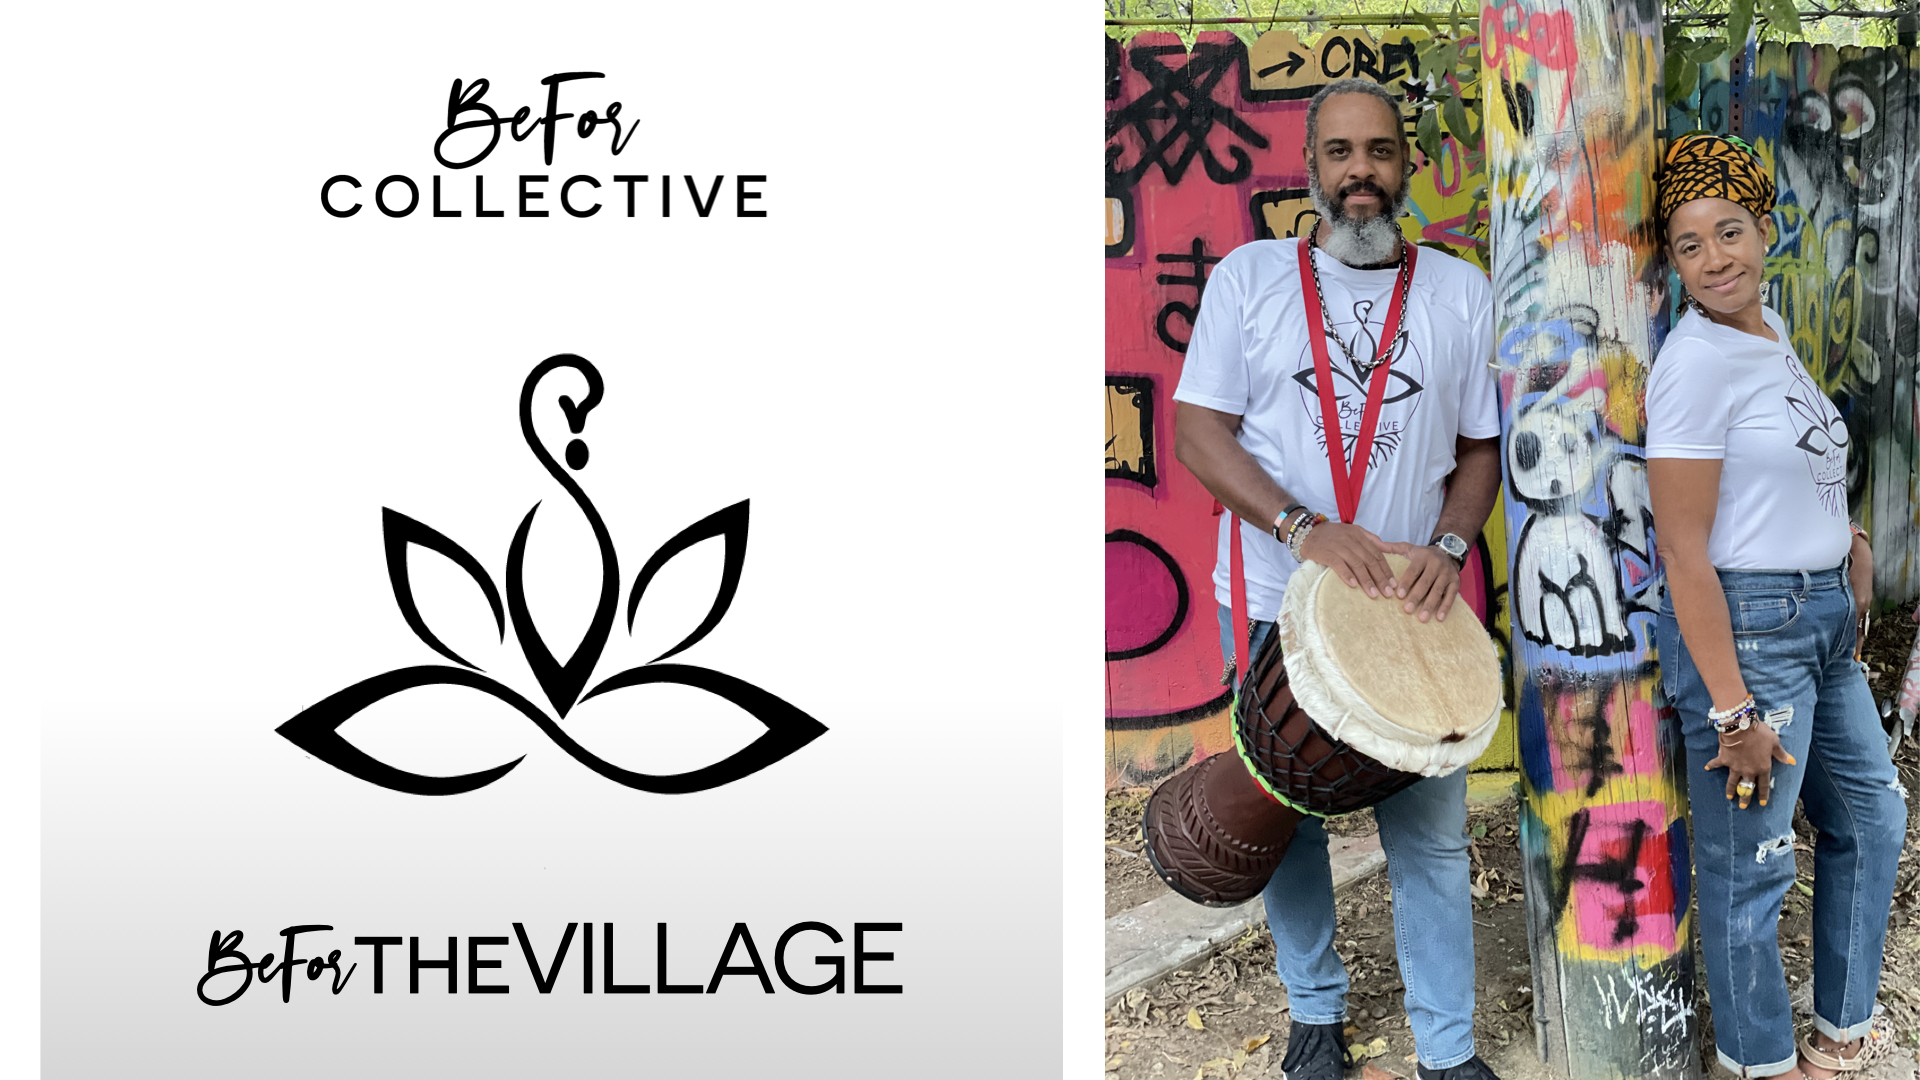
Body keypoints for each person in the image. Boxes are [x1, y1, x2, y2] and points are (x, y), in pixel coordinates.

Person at [1171, 77, 1503, 1080]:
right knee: (1290, 826)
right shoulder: (1250, 278)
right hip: (1280, 600)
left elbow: (1480, 450)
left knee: (1432, 841)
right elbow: (1196, 430)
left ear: (1407, 166)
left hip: (1414, 616)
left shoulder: (1459, 290)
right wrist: (1303, 527)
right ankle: (1316, 1015)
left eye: (1381, 151)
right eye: (1341, 153)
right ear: (1312, 169)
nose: (1362, 171)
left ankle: (1447, 1051)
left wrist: (1448, 546)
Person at [1646, 132, 1904, 1080]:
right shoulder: (1695, 362)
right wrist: (1733, 709)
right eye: (1689, 244)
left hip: (1823, 621)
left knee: (1873, 818)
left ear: (1764, 229)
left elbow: (1793, 463)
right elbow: (1682, 546)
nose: (1716, 259)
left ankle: (1840, 1030)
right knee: (1751, 865)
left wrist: (1851, 540)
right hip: (1751, 637)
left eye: (1730, 232)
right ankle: (1755, 1063)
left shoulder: (1769, 331)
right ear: (1672, 260)